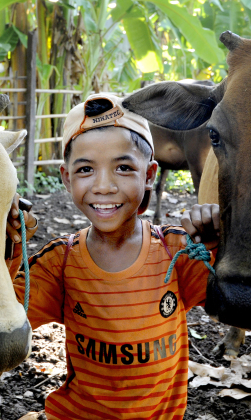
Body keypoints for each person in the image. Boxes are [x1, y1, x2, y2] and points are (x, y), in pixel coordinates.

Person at [6, 93, 220, 420]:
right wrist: (8, 242)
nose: (103, 186)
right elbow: (8, 315)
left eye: (122, 167)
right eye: (86, 169)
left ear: (149, 175)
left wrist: (220, 241)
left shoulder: (177, 252)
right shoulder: (59, 263)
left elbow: (233, 298)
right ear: (66, 177)